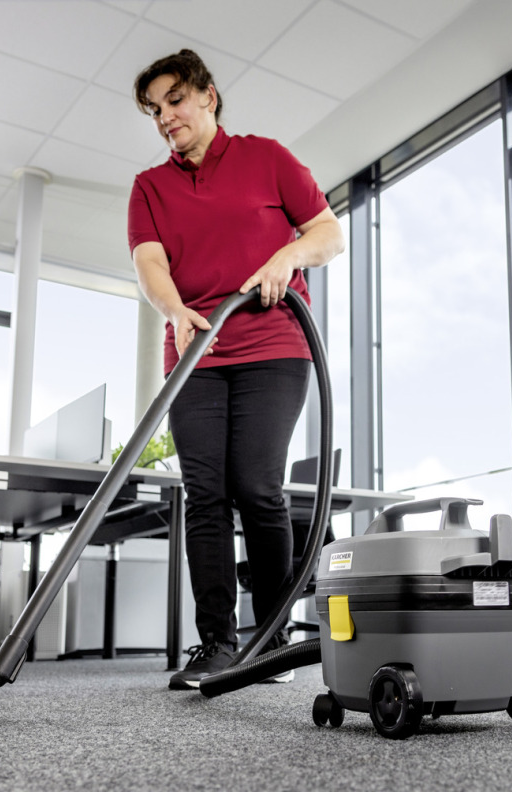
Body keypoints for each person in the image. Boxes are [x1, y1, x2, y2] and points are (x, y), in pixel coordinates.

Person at [127, 49, 345, 690]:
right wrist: (175, 310)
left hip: (273, 346)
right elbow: (150, 264)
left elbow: (328, 234)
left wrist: (288, 256)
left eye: (174, 100)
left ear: (208, 95)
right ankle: (218, 645)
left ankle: (270, 639)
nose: (165, 117)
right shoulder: (150, 187)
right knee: (205, 494)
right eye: (155, 110)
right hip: (195, 350)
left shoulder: (267, 158)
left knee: (256, 486)